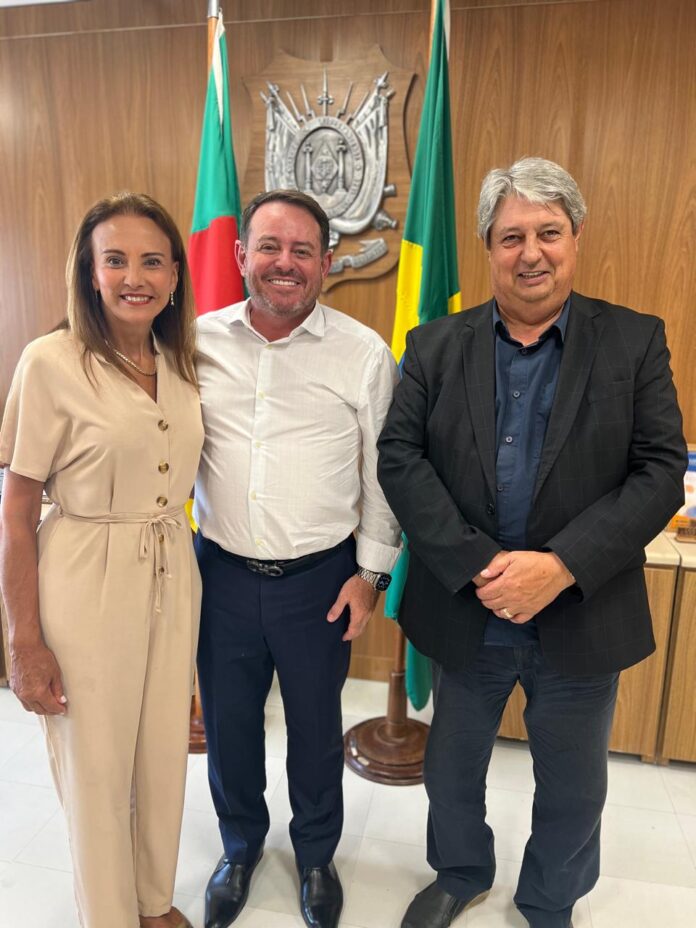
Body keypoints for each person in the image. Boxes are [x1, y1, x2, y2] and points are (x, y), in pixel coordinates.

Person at [377, 157, 687, 928]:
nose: (531, 253)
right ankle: (460, 872)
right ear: (488, 246)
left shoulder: (635, 341)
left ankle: (551, 901)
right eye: (511, 236)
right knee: (452, 773)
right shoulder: (433, 345)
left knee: (574, 786)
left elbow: (659, 472)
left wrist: (561, 567)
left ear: (575, 238)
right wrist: (481, 564)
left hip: (580, 611)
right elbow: (400, 458)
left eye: (549, 232)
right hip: (466, 608)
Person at [194, 188, 401, 928]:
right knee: (230, 729)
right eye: (270, 247)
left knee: (315, 734)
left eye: (303, 250)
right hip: (219, 575)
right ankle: (240, 848)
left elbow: (383, 476)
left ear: (327, 262)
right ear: (241, 255)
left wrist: (370, 576)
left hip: (320, 582)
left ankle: (316, 856)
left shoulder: (363, 353)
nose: (285, 263)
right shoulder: (195, 343)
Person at [0, 193, 203, 928]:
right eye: (115, 260)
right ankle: (111, 917)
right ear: (89, 273)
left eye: (152, 261)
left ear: (175, 275)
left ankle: (152, 903)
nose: (134, 277)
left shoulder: (181, 361)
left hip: (173, 569)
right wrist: (24, 642)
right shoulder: (50, 362)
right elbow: (16, 512)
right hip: (84, 576)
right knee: (95, 768)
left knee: (160, 755)